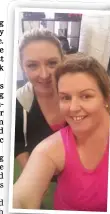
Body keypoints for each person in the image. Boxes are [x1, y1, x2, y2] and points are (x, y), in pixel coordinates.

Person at [13, 54, 110, 212]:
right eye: (65, 98)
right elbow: (21, 199)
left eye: (86, 96)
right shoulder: (51, 149)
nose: (73, 108)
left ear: (105, 98)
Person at [15, 28, 66, 173]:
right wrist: (30, 173)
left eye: (52, 63)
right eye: (32, 65)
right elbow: (17, 142)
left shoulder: (81, 93)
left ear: (63, 61)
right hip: (43, 176)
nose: (44, 75)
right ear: (23, 67)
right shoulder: (18, 102)